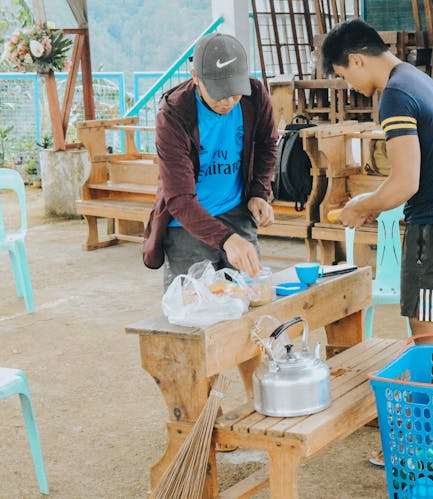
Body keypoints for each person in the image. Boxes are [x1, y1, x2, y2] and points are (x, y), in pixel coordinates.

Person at [320, 19, 433, 466]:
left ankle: (424, 449)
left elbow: (405, 182)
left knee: (426, 337)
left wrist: (362, 206)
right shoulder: (415, 77)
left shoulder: (394, 96)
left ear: (356, 59)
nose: (347, 83)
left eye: (343, 74)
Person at [142, 33, 279, 414]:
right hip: (186, 223)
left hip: (236, 211)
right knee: (197, 325)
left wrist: (258, 192)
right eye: (219, 95)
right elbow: (180, 199)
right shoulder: (174, 114)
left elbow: (268, 143)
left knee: (248, 313)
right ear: (195, 77)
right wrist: (227, 240)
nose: (228, 102)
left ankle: (259, 405)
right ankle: (206, 423)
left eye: (234, 94)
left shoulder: (253, 95)